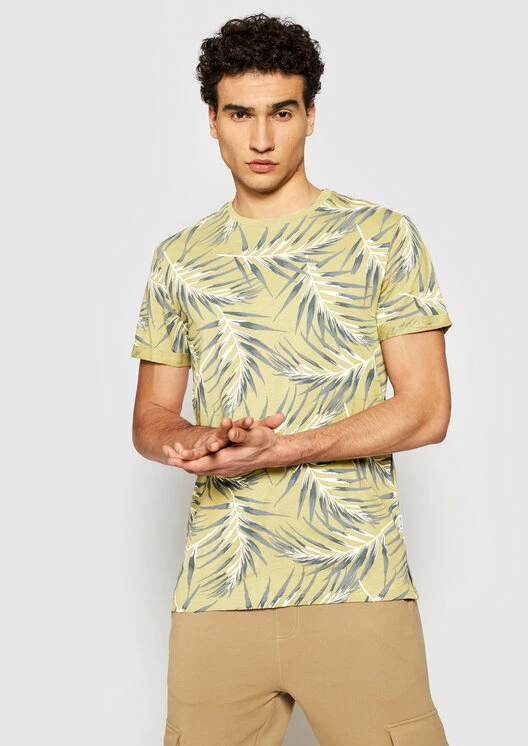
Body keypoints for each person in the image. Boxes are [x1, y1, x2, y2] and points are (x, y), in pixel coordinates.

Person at [130, 13, 452, 746]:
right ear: (212, 121)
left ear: (310, 115)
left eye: (281, 113)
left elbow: (427, 409)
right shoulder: (179, 258)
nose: (261, 139)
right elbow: (151, 416)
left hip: (357, 586)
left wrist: (282, 449)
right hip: (216, 590)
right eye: (240, 114)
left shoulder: (382, 237)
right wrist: (201, 440)